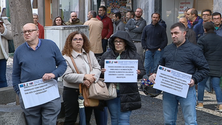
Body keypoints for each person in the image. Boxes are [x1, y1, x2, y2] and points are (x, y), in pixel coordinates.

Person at [149, 22, 209, 125]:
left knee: (190, 121)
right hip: (168, 90)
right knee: (168, 121)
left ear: (184, 33)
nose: (173, 36)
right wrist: (154, 74)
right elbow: (160, 66)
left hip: (187, 90)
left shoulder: (194, 49)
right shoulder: (167, 49)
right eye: (172, 33)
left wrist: (194, 79)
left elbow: (204, 69)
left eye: (176, 33)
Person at [12, 23, 67, 125]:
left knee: (49, 122)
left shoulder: (50, 45)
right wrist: (19, 93)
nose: (27, 33)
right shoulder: (19, 51)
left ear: (37, 32)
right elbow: (15, 74)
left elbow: (62, 64)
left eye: (30, 31)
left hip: (49, 93)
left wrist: (54, 74)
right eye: (24, 32)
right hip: (30, 95)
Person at [99, 30, 145, 125]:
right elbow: (98, 71)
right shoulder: (107, 55)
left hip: (128, 92)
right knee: (114, 119)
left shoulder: (133, 56)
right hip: (112, 92)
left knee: (124, 120)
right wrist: (101, 71)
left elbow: (143, 71)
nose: (118, 43)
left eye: (121, 41)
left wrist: (139, 73)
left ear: (126, 43)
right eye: (116, 41)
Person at [62, 31, 101, 125]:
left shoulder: (89, 54)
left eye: (80, 39)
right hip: (72, 91)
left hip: (88, 89)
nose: (78, 41)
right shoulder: (65, 57)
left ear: (84, 41)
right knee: (70, 119)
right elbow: (66, 75)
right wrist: (84, 78)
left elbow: (97, 68)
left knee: (86, 119)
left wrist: (91, 79)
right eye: (75, 39)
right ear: (70, 41)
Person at [196, 22, 222, 111]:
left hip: (205, 66)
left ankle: (200, 103)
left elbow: (199, 54)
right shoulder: (220, 39)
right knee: (216, 86)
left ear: (205, 29)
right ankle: (220, 104)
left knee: (201, 85)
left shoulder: (202, 39)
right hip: (217, 66)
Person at [0, 17, 12, 88]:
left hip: (1, 56)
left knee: (2, 78)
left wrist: (3, 31)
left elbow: (11, 35)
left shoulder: (4, 21)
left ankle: (4, 98)